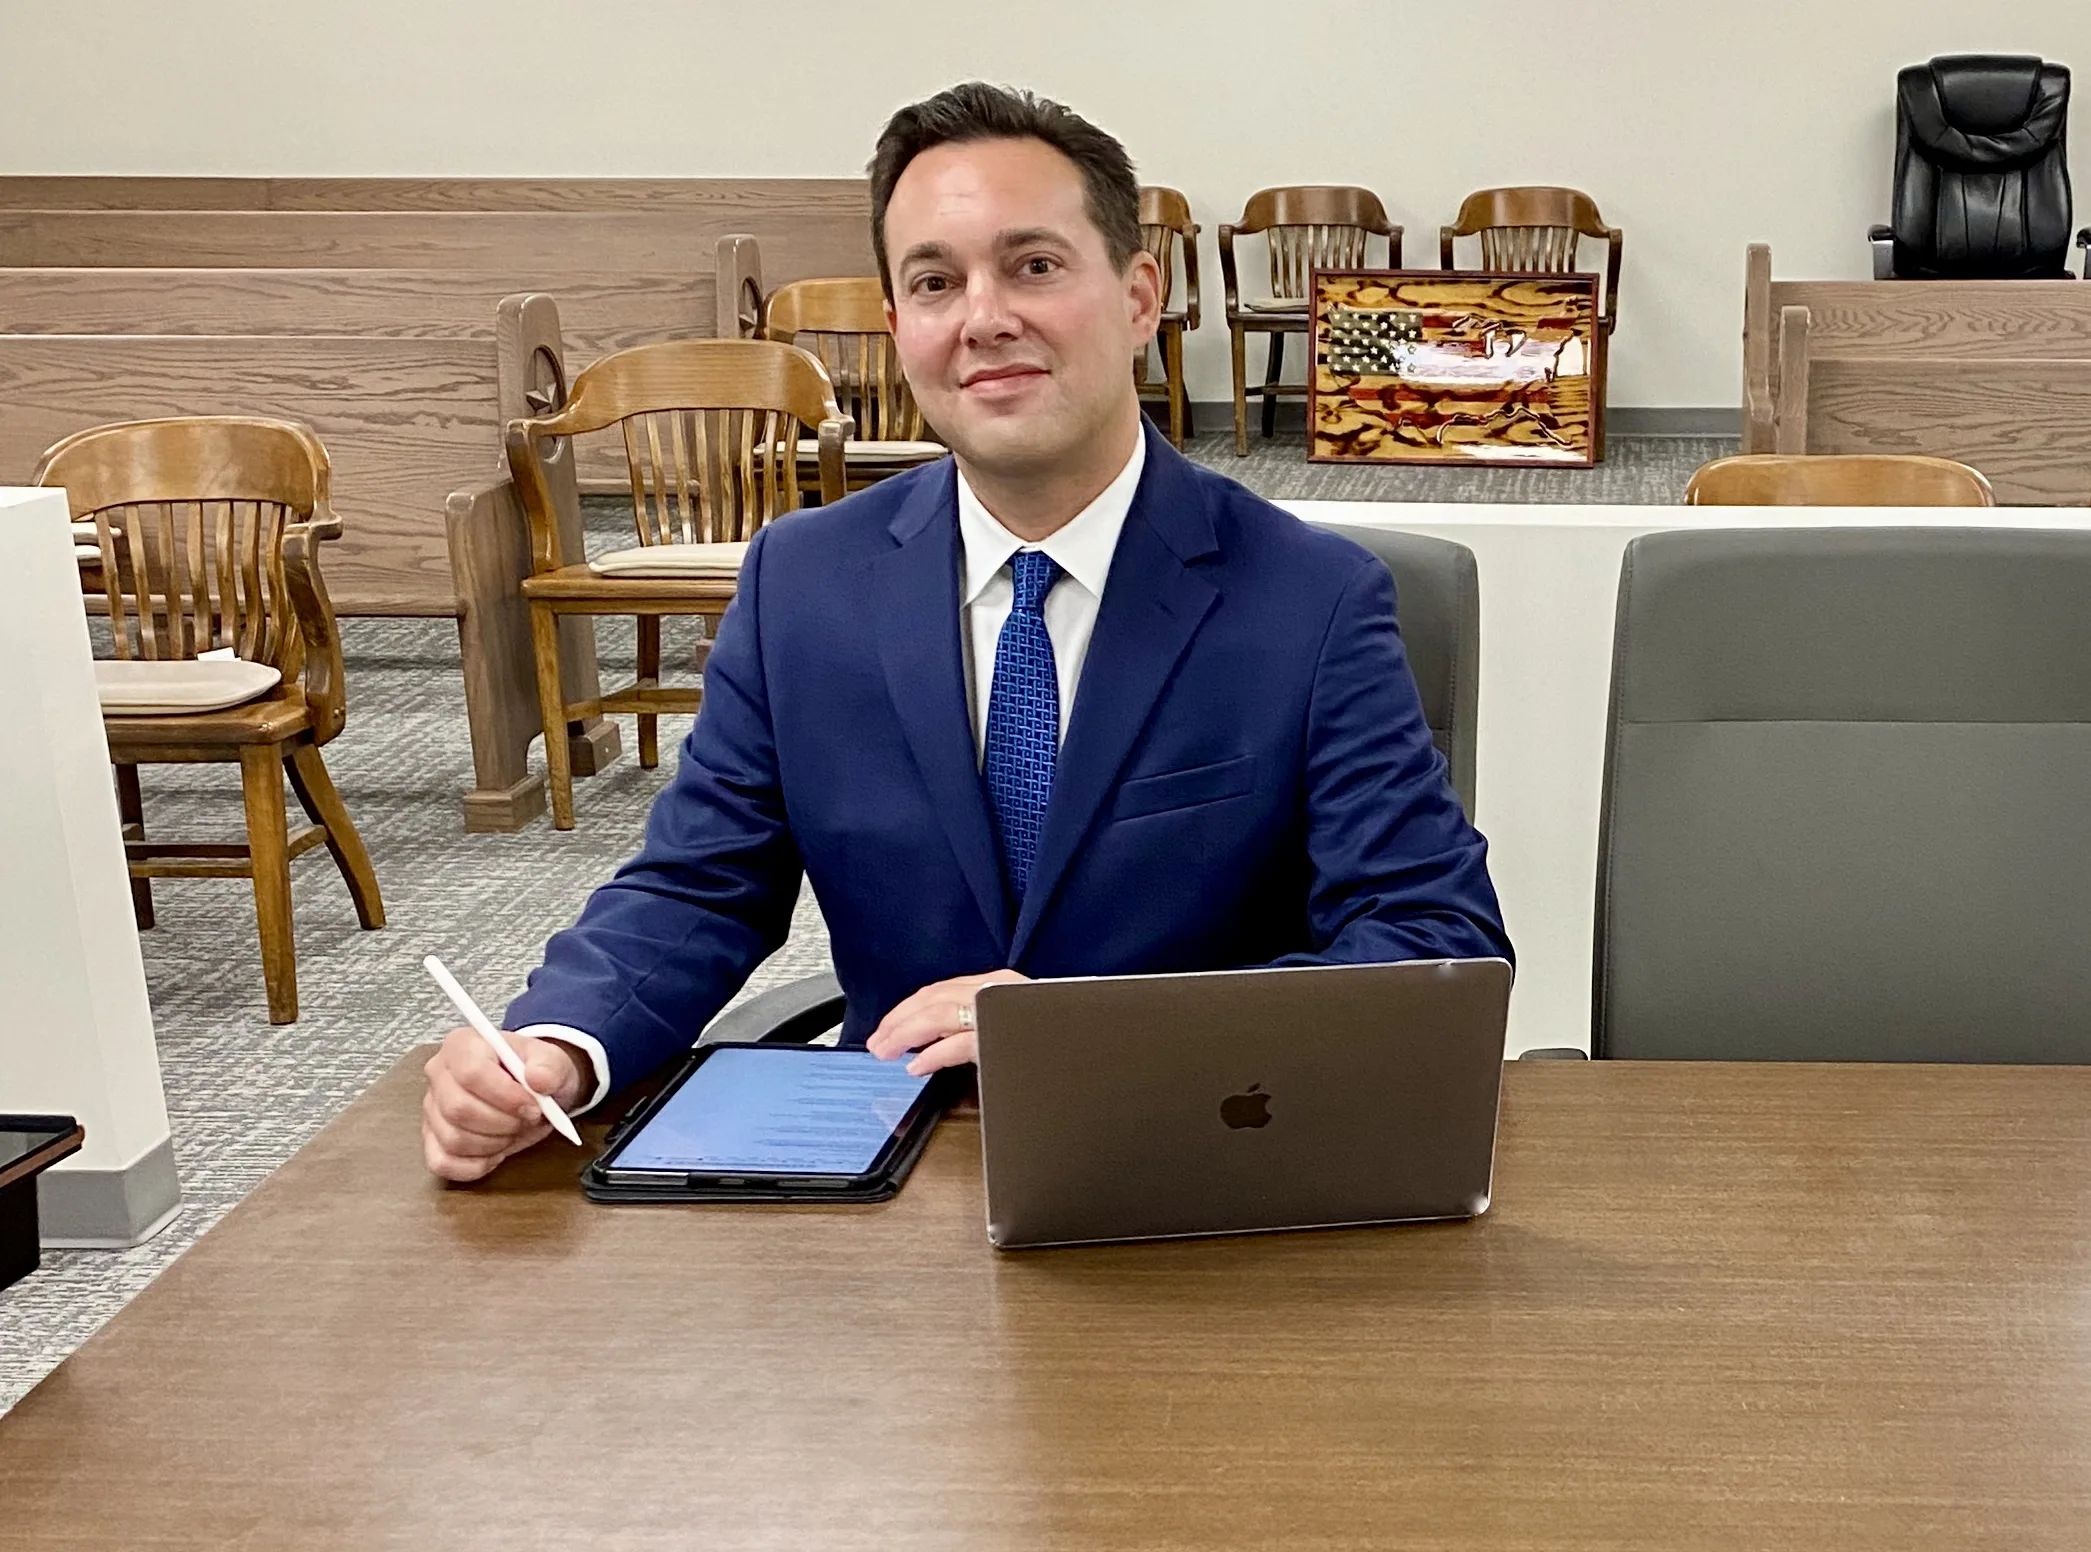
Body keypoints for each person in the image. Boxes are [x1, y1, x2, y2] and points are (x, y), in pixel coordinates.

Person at [421, 82, 1511, 1182]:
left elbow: (1434, 942)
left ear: (1139, 296)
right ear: (899, 329)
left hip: (1192, 1164)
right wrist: (560, 1043)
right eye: (935, 281)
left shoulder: (1311, 599)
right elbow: (698, 882)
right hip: (893, 1175)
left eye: (1034, 265)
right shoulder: (805, 582)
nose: (984, 317)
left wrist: (1079, 1041)